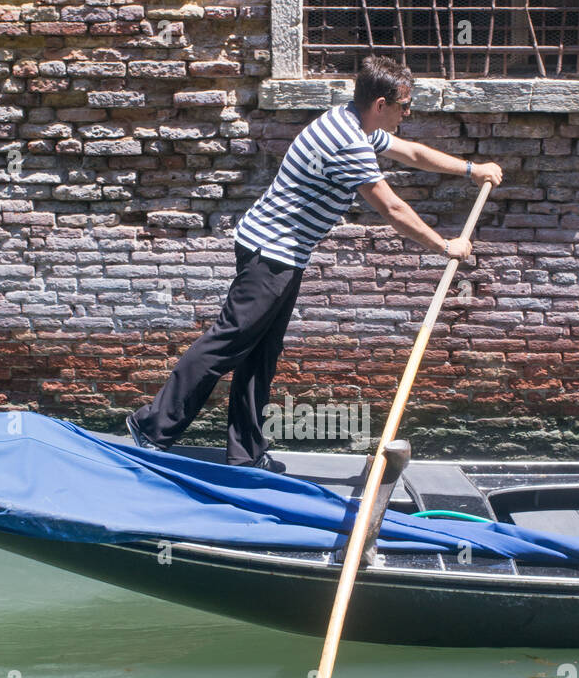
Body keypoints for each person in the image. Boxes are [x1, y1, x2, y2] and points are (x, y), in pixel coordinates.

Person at [127, 54, 502, 469]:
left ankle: (245, 455)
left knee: (259, 355)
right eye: (404, 105)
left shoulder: (353, 121)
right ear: (381, 104)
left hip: (280, 254)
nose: (407, 113)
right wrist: (443, 246)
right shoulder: (348, 141)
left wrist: (472, 169)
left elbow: (412, 153)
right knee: (227, 342)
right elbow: (392, 209)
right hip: (270, 254)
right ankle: (151, 428)